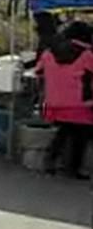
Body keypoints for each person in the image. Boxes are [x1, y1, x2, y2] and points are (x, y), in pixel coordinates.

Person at [36, 21, 93, 180]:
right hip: (80, 104)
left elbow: (38, 71)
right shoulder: (87, 55)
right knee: (80, 136)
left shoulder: (49, 53)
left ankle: (50, 162)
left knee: (64, 131)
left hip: (53, 102)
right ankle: (73, 168)